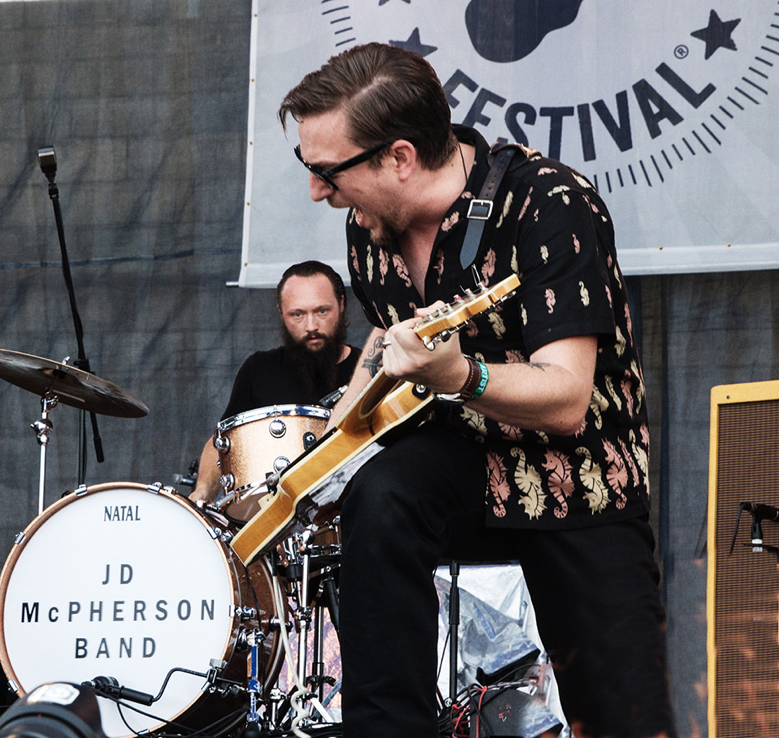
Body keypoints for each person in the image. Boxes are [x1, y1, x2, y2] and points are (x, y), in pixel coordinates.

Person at [278, 43, 675, 738]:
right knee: (382, 498)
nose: (317, 190)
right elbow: (387, 342)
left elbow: (567, 396)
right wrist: (320, 446)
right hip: (462, 459)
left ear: (398, 157)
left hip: (582, 475)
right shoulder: (368, 232)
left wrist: (462, 376)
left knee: (624, 717)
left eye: (326, 171)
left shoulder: (550, 202)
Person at [191, 260, 361, 502]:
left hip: (353, 513)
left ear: (342, 305)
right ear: (281, 313)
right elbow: (223, 442)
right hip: (274, 518)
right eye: (297, 315)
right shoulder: (259, 369)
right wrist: (203, 492)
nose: (311, 326)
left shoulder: (367, 370)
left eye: (322, 311)